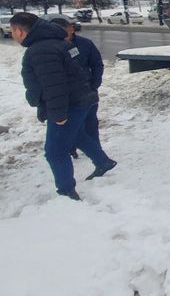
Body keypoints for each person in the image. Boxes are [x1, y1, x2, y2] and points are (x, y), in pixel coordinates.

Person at [8, 12, 116, 200]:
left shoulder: (41, 50)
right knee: (77, 135)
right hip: (80, 99)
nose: (12, 35)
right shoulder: (57, 42)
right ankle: (103, 162)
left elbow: (54, 85)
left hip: (69, 104)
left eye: (11, 31)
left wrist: (58, 115)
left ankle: (66, 191)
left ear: (19, 31)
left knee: (55, 152)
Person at [49, 17, 104, 155]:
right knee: (70, 124)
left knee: (90, 122)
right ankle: (70, 149)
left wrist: (95, 84)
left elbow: (97, 64)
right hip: (65, 93)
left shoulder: (85, 44)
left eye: (65, 30)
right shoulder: (51, 47)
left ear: (71, 29)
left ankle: (96, 150)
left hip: (87, 90)